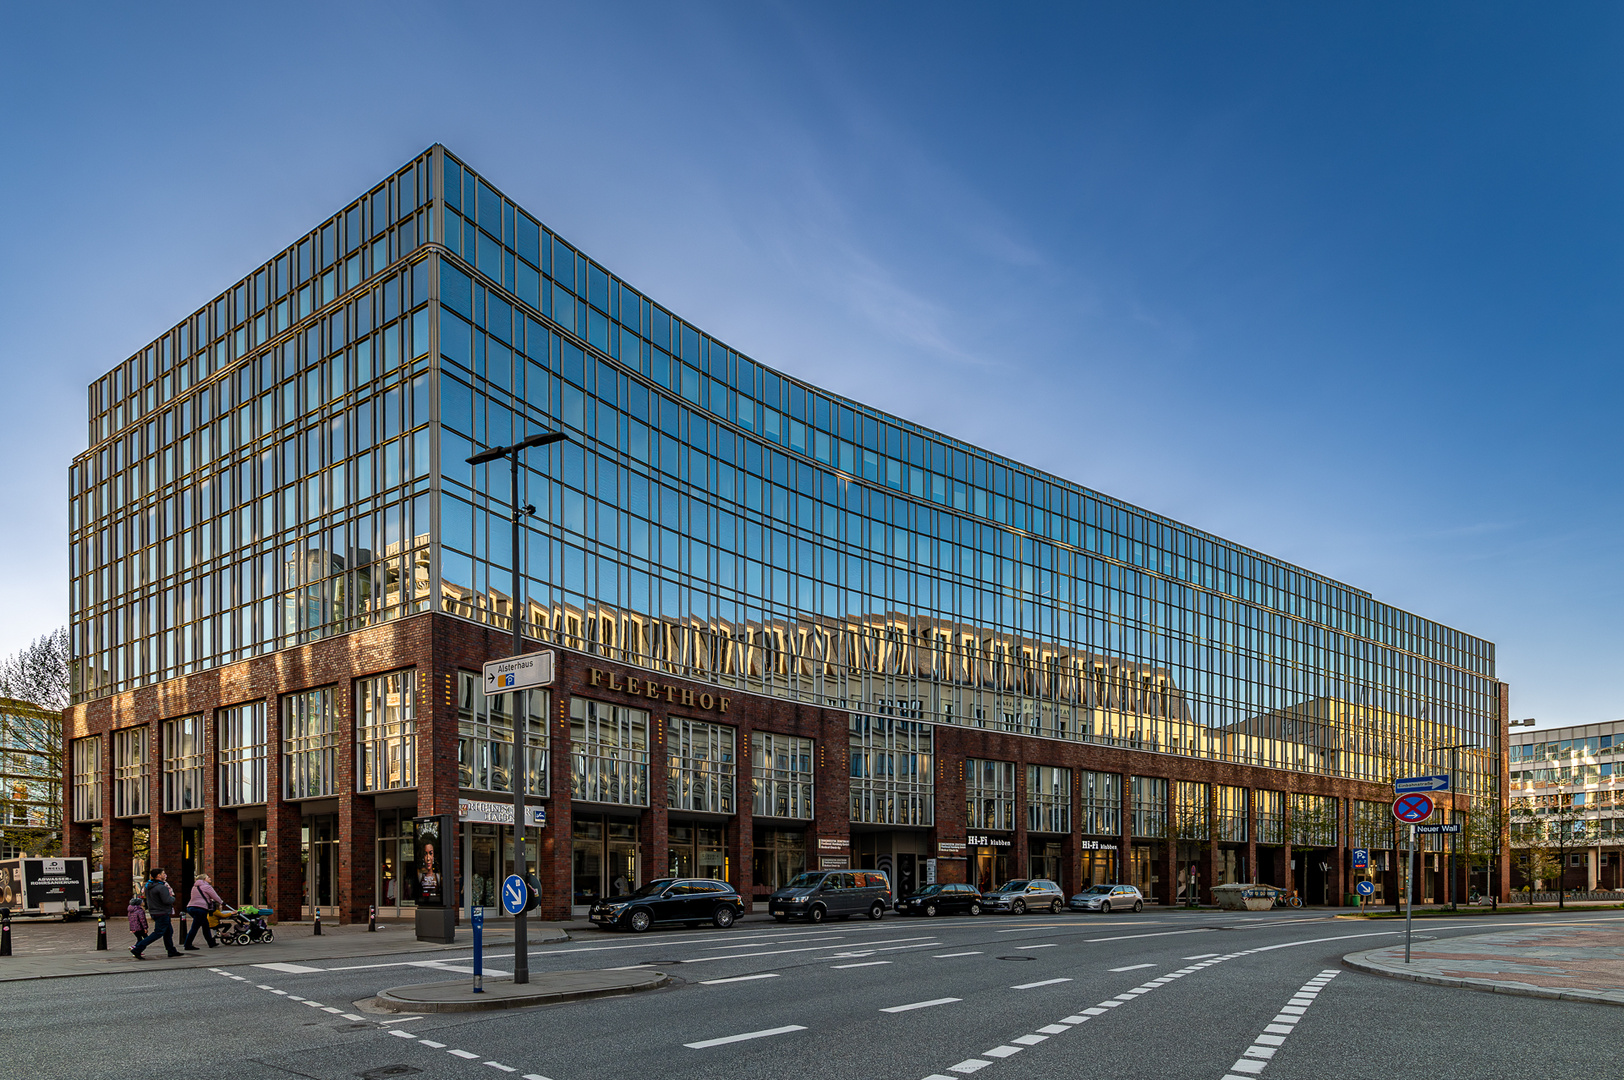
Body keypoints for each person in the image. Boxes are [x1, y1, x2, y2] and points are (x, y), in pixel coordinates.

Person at [130, 867, 184, 959]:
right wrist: (173, 898)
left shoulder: (148, 886)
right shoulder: (161, 887)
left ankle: (171, 950)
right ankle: (138, 948)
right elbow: (167, 900)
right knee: (158, 933)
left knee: (168, 932)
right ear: (158, 876)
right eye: (163, 873)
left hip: (154, 911)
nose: (164, 875)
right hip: (162, 912)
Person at [182, 873, 223, 950]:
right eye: (208, 877)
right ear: (204, 879)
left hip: (191, 907)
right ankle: (187, 944)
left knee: (205, 926)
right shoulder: (207, 887)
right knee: (195, 927)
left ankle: (211, 942)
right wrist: (221, 902)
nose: (210, 878)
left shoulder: (194, 887)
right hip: (200, 909)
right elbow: (215, 896)